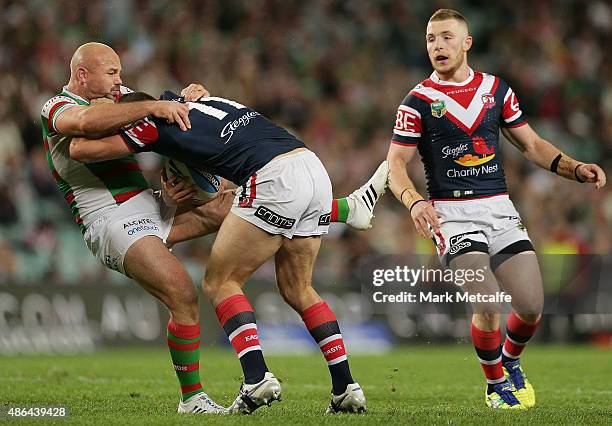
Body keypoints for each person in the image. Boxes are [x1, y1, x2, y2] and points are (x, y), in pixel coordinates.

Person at [70, 90, 387, 414]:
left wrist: (95, 122)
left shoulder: (148, 122)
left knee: (220, 282)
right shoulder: (187, 99)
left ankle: (256, 377)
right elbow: (208, 156)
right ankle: (345, 388)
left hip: (272, 177)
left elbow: (82, 150)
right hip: (310, 165)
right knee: (298, 288)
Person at [386, 9, 606, 410]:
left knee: (531, 307)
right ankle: (494, 384)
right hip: (450, 215)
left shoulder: (496, 90)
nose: (438, 45)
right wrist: (414, 201)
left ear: (467, 43)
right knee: (487, 302)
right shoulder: (417, 100)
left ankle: (511, 360)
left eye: (447, 37)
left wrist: (575, 168)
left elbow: (533, 145)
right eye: (432, 39)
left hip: (499, 209)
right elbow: (395, 165)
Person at [41, 42, 235, 414]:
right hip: (109, 219)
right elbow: (84, 127)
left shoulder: (121, 97)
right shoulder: (57, 107)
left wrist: (193, 99)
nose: (120, 81)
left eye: (120, 73)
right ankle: (192, 399)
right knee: (182, 293)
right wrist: (150, 107)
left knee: (229, 202)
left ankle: (329, 213)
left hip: (149, 203)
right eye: (112, 73)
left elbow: (165, 109)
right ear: (83, 75)